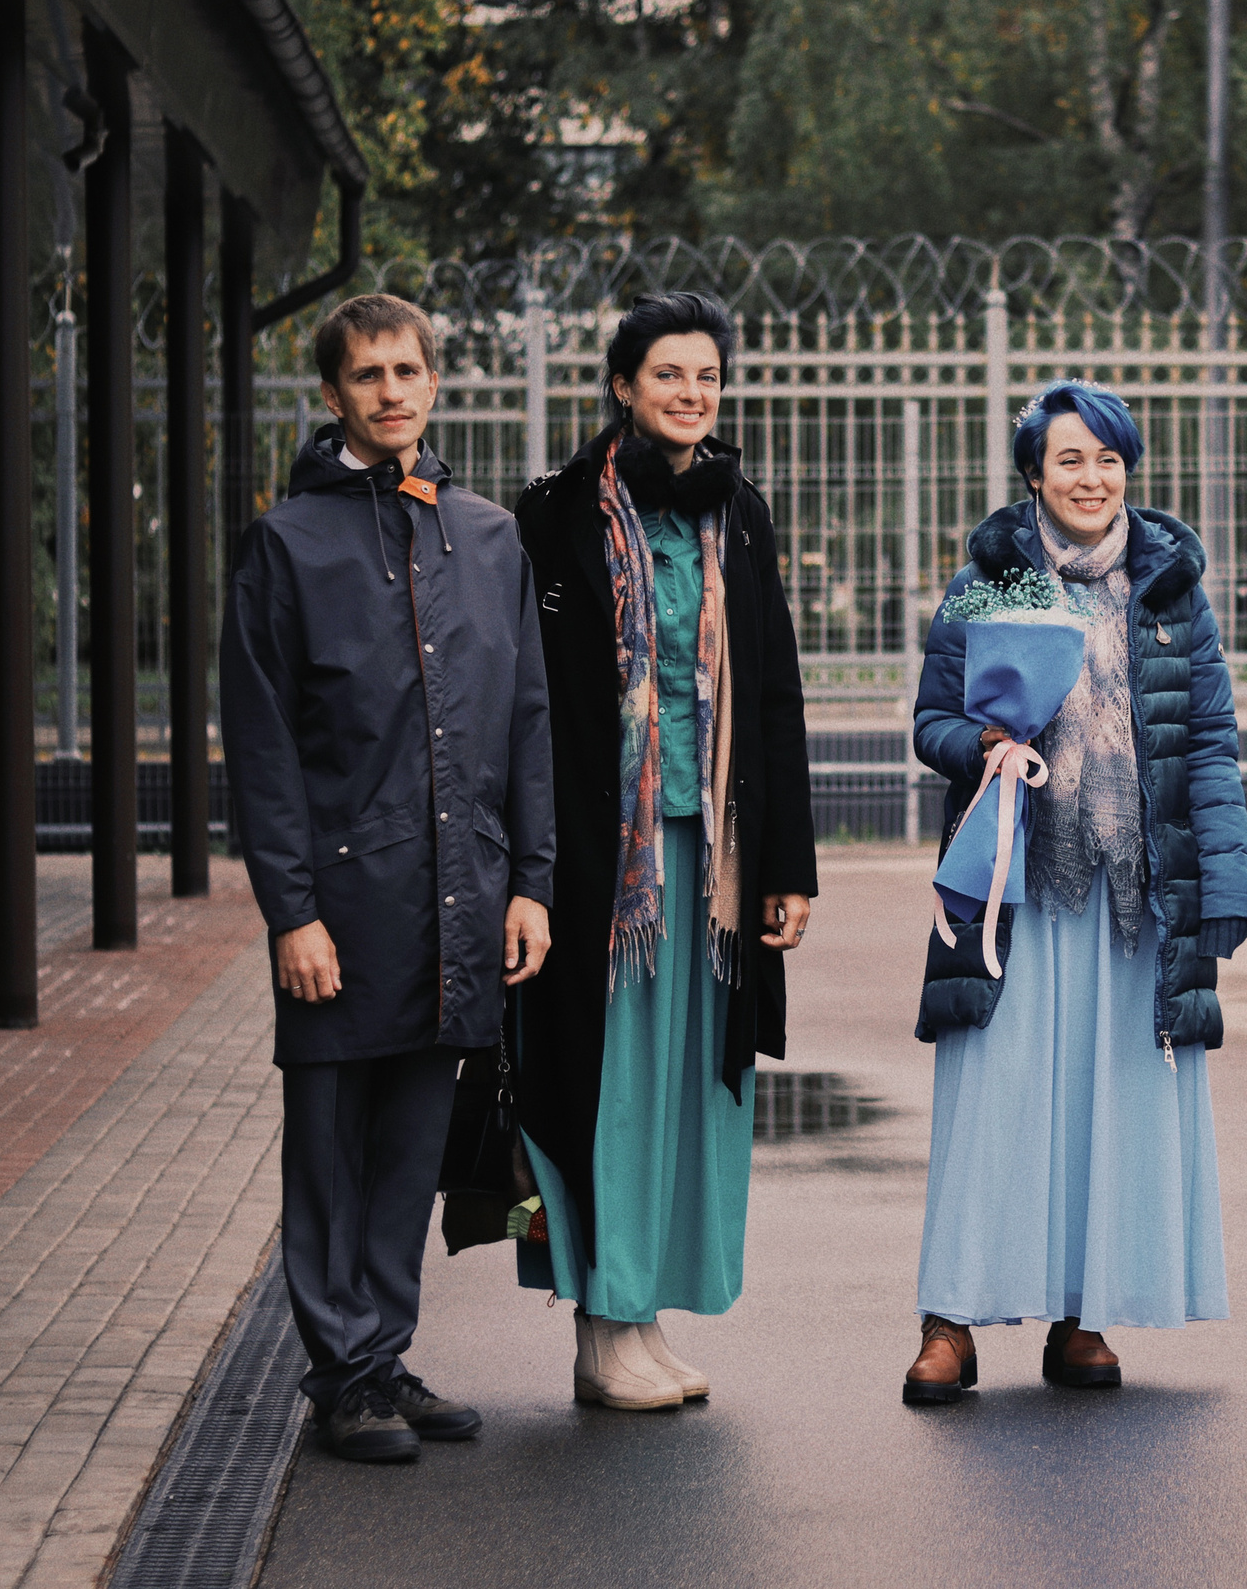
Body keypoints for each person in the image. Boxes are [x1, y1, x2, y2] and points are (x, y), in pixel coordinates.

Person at [221, 293, 554, 1463]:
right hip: (344, 902)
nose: (392, 391)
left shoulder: (487, 534)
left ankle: (380, 1352)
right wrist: (290, 912)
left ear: (433, 380)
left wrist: (533, 879)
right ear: (333, 395)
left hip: (462, 894)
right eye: (367, 375)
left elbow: (525, 716)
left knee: (412, 1144)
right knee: (330, 1145)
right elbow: (260, 746)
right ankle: (341, 1369)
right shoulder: (286, 544)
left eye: (408, 369)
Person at [901, 379, 1247, 1405]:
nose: (1091, 477)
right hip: (1017, 884)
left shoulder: (1172, 590)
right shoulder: (988, 582)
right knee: (994, 1093)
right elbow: (930, 719)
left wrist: (1224, 877)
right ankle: (949, 1321)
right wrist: (984, 744)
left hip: (1133, 892)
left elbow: (1212, 743)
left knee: (1106, 1097)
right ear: (1034, 473)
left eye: (1107, 458)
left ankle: (1081, 1314)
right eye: (1069, 459)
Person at [513, 292, 818, 1409]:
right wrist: (528, 868)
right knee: (614, 1088)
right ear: (623, 386)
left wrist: (789, 863)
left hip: (717, 861)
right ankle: (604, 1324)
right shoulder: (555, 515)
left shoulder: (737, 510)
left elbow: (774, 691)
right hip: (608, 864)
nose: (691, 394)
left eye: (708, 376)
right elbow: (528, 700)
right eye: (669, 375)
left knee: (693, 1085)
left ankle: (643, 1319)